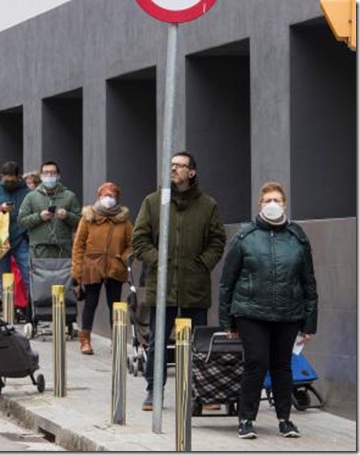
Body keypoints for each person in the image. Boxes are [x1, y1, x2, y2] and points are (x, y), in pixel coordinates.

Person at [219, 181, 318, 439]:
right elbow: (227, 281)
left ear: (284, 204)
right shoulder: (245, 237)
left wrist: (309, 323)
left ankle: (285, 420)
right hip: (250, 312)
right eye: (268, 200)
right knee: (257, 362)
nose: (273, 204)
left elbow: (308, 281)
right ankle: (246, 418)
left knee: (282, 365)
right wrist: (226, 320)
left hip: (288, 312)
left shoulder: (297, 238)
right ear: (260, 205)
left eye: (277, 200)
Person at [132, 151, 226, 411]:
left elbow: (217, 240)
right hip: (161, 286)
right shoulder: (153, 202)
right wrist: (158, 262)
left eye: (180, 166)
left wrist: (202, 263)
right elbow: (139, 239)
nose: (174, 169)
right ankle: (153, 390)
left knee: (198, 341)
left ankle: (202, 391)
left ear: (192, 172)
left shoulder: (208, 205)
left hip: (194, 284)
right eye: (171, 165)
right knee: (157, 341)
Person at [71, 182, 133, 355]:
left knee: (115, 305)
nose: (108, 199)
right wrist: (77, 271)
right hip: (92, 267)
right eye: (105, 195)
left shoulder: (124, 221)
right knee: (90, 303)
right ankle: (85, 340)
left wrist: (122, 258)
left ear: (117, 198)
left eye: (112, 196)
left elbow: (132, 244)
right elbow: (78, 245)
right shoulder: (88, 218)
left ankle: (117, 340)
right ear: (98, 197)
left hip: (115, 267)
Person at [18, 161, 82, 260]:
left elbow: (80, 222)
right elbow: (21, 222)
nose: (49, 175)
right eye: (46, 172)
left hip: (62, 252)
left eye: (52, 172)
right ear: (41, 176)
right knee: (39, 276)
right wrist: (39, 217)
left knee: (62, 276)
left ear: (58, 176)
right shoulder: (31, 197)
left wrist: (67, 216)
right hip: (39, 252)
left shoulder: (69, 196)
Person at [0, 161, 32, 298]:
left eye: (12, 181)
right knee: (4, 279)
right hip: (1, 240)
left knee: (28, 275)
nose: (9, 183)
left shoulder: (27, 193)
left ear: (18, 177)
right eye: (6, 181)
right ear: (2, 176)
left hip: (21, 237)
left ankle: (31, 312)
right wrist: (0, 210)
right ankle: (7, 312)